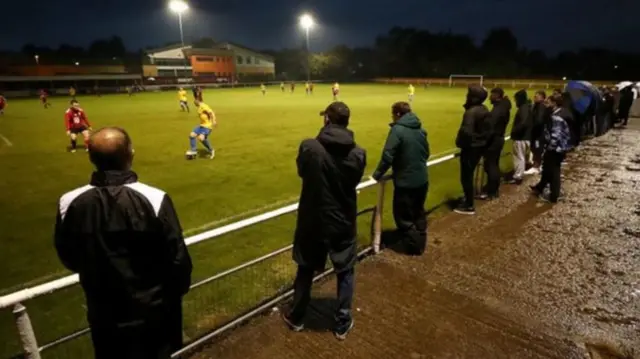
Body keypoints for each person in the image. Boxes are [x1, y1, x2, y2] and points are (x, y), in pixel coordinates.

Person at [54, 127, 192, 359]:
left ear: (90, 157)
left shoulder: (69, 202)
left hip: (103, 313)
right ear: (131, 155)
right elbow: (177, 258)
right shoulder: (154, 198)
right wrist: (171, 296)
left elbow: (68, 255)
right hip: (155, 311)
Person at [282, 102, 366, 341]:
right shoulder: (358, 153)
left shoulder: (309, 147)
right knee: (345, 271)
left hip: (313, 220)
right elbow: (353, 181)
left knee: (306, 268)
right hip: (342, 221)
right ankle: (342, 322)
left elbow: (302, 171)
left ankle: (297, 316)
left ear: (327, 120)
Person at [371, 102, 429, 255]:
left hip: (406, 181)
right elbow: (426, 153)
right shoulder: (420, 130)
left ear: (397, 114)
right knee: (418, 211)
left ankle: (414, 247)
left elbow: (388, 156)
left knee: (403, 216)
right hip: (422, 179)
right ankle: (421, 241)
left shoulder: (397, 130)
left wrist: (376, 175)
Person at [454, 85, 490, 215]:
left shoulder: (471, 112)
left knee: (466, 176)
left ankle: (469, 205)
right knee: (469, 175)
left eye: (468, 95)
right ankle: (468, 198)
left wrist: (459, 143)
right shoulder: (484, 109)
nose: (466, 96)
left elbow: (466, 132)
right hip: (479, 146)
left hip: (471, 148)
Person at [531, 93, 572, 203]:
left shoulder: (557, 117)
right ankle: (540, 188)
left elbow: (556, 135)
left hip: (556, 149)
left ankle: (554, 195)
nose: (545, 105)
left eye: (547, 102)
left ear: (554, 103)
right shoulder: (561, 112)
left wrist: (549, 148)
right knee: (547, 168)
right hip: (559, 147)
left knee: (554, 171)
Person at [479, 88, 511, 199]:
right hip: (498, 139)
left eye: (491, 95)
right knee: (494, 164)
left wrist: (484, 141)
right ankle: (493, 189)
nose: (489, 97)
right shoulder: (502, 107)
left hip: (494, 140)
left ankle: (491, 191)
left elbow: (491, 128)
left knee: (491, 165)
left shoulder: (498, 109)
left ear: (497, 96)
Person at [508, 89, 532, 185]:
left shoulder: (523, 108)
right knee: (521, 157)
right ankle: (519, 175)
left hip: (521, 137)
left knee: (519, 157)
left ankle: (518, 177)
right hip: (526, 137)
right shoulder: (527, 107)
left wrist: (514, 131)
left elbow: (523, 123)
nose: (515, 101)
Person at [525, 90, 548, 175]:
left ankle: (536, 166)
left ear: (542, 98)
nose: (534, 97)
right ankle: (536, 164)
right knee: (535, 149)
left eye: (536, 96)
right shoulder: (537, 106)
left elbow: (539, 121)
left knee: (537, 149)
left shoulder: (541, 107)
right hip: (537, 133)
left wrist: (532, 127)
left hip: (538, 134)